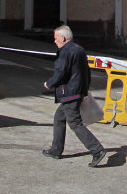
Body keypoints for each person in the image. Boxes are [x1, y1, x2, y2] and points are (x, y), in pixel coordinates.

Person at [42, 25, 106, 167]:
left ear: (63, 38)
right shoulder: (79, 49)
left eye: (56, 38)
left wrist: (50, 83)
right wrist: (85, 89)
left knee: (75, 123)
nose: (54, 41)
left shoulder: (65, 52)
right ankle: (56, 150)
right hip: (77, 91)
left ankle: (97, 150)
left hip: (69, 93)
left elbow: (61, 72)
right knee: (59, 117)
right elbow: (86, 72)